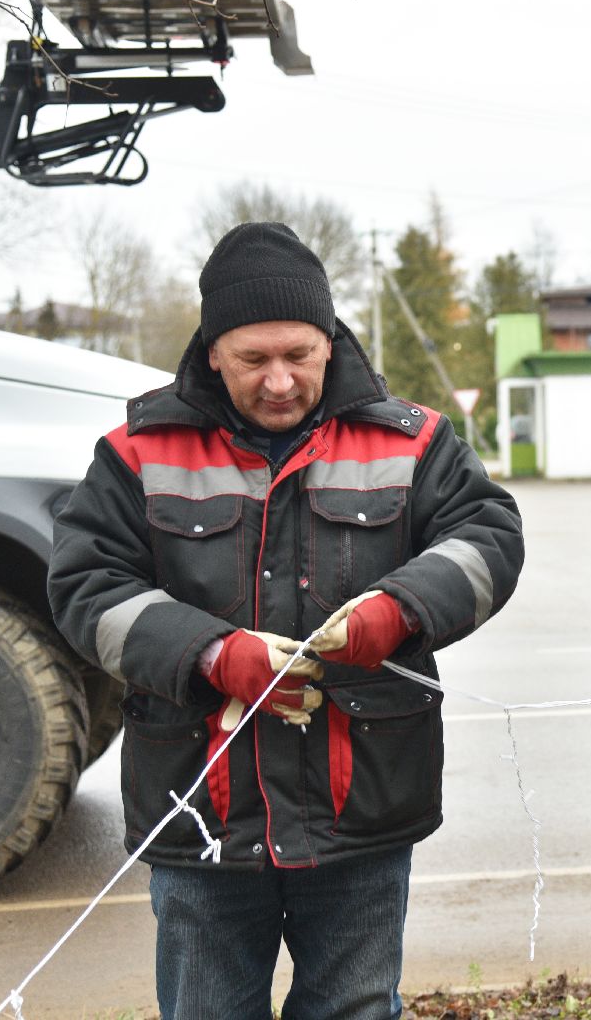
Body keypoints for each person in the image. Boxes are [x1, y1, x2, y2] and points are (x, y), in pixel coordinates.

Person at [48, 222, 524, 1020]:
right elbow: (85, 587)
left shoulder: (414, 442)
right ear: (211, 353)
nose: (278, 381)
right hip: (202, 817)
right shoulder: (135, 452)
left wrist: (397, 609)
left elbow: (489, 538)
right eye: (252, 360)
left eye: (298, 356)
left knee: (354, 1008)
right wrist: (210, 654)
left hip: (361, 809)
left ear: (331, 343)